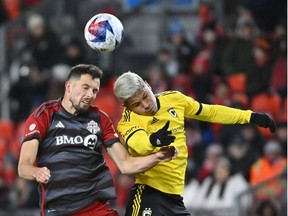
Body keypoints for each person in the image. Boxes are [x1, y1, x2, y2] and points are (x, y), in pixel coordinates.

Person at [17, 64, 177, 216]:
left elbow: (126, 165)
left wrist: (157, 156)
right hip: (59, 210)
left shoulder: (100, 118)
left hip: (96, 209)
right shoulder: (44, 115)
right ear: (68, 87)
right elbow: (23, 167)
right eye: (85, 88)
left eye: (94, 91)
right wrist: (36, 172)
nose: (90, 95)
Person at [113, 71, 276, 216]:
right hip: (148, 196)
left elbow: (210, 112)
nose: (146, 105)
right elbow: (137, 141)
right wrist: (153, 140)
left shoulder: (174, 99)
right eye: (136, 105)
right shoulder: (127, 121)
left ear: (148, 85)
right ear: (126, 106)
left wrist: (250, 116)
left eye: (144, 96)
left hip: (175, 199)